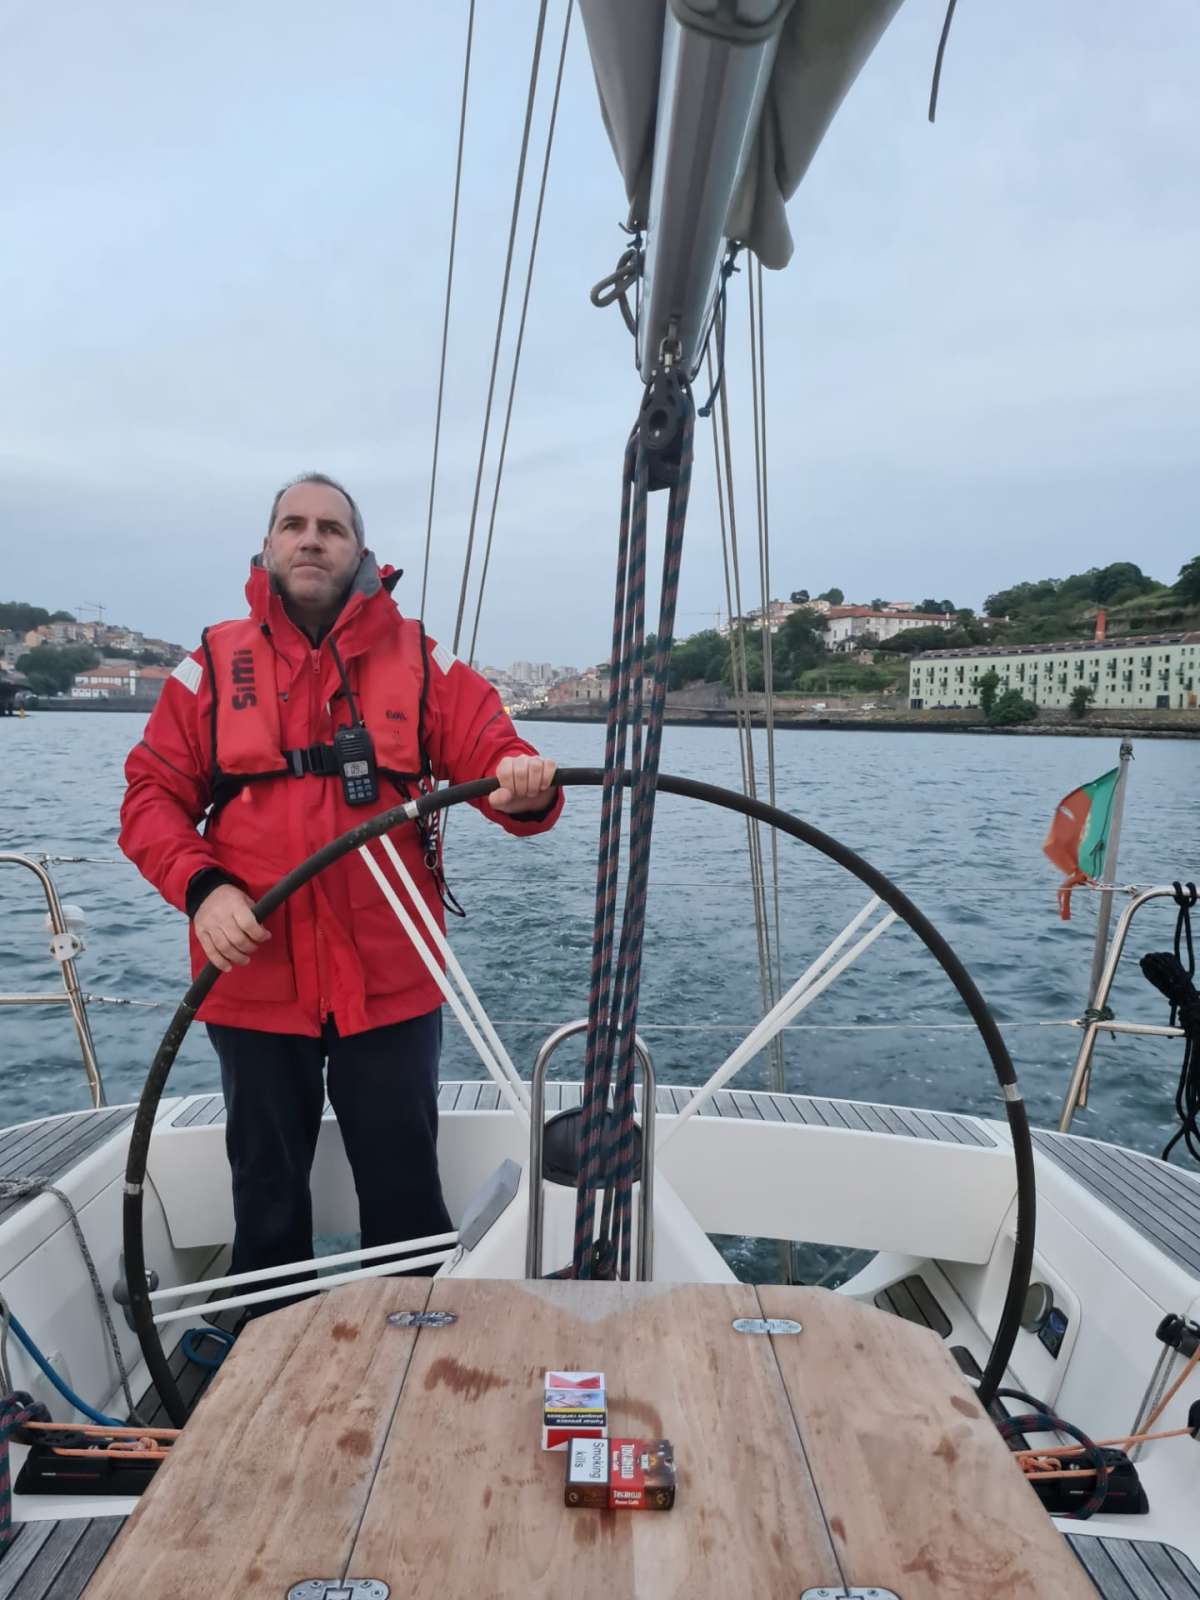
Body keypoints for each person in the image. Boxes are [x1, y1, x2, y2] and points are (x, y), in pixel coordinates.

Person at [120, 471, 562, 1299]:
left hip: (389, 982)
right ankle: (268, 1351)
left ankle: (416, 1346)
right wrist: (204, 890)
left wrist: (521, 784)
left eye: (331, 526)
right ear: (269, 545)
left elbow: (494, 755)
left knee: (404, 1193)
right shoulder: (212, 664)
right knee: (265, 1192)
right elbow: (150, 799)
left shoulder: (424, 660)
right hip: (252, 978)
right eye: (294, 524)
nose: (311, 538)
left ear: (362, 552)